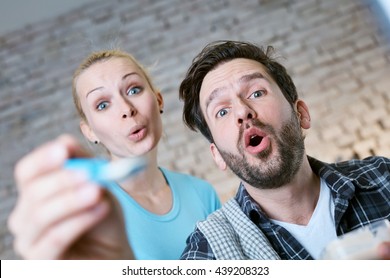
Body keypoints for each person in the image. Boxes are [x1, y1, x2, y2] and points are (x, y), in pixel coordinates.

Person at [178, 40, 390, 260]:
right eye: (222, 111)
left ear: (301, 114)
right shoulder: (206, 255)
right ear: (218, 155)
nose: (242, 111)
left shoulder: (383, 177)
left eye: (257, 93)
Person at [8, 49, 221, 260]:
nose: (126, 109)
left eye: (134, 90)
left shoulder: (203, 193)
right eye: (102, 104)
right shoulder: (86, 208)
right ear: (89, 131)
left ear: (158, 100)